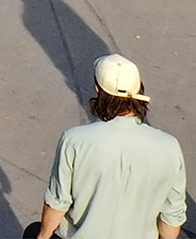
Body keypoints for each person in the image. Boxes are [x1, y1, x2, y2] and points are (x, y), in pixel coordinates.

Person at [30, 54, 186, 239]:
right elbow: (172, 216)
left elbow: (57, 203)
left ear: (98, 90)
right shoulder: (169, 146)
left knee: (33, 231)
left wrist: (43, 235)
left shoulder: (74, 140)